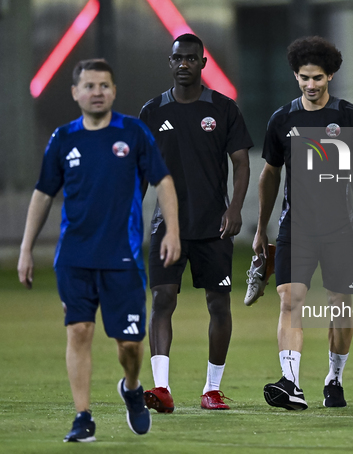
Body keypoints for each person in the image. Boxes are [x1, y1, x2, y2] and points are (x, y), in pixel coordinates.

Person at [17, 59, 181, 441]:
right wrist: (26, 248)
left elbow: (165, 182)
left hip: (121, 259)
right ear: (75, 92)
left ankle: (132, 387)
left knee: (129, 345)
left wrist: (172, 231)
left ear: (113, 91)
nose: (97, 92)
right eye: (89, 86)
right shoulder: (63, 139)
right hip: (74, 257)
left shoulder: (135, 133)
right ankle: (82, 417)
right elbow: (43, 194)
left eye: (104, 85)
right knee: (79, 331)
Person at [251, 36, 353, 410]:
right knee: (289, 299)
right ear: (296, 75)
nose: (311, 85)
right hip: (296, 227)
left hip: (341, 228)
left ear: (331, 76)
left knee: (340, 305)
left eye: (319, 78)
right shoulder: (282, 119)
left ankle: (334, 378)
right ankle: (290, 383)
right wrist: (261, 229)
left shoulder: (349, 117)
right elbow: (270, 176)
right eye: (304, 77)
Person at [139, 33, 252, 412]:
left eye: (191, 59)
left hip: (213, 225)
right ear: (169, 63)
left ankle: (212, 389)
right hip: (167, 226)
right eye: (177, 59)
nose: (184, 64)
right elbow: (140, 172)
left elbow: (240, 163)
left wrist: (234, 209)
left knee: (219, 304)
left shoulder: (223, 109)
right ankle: (161, 388)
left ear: (203, 63)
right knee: (162, 299)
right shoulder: (152, 112)